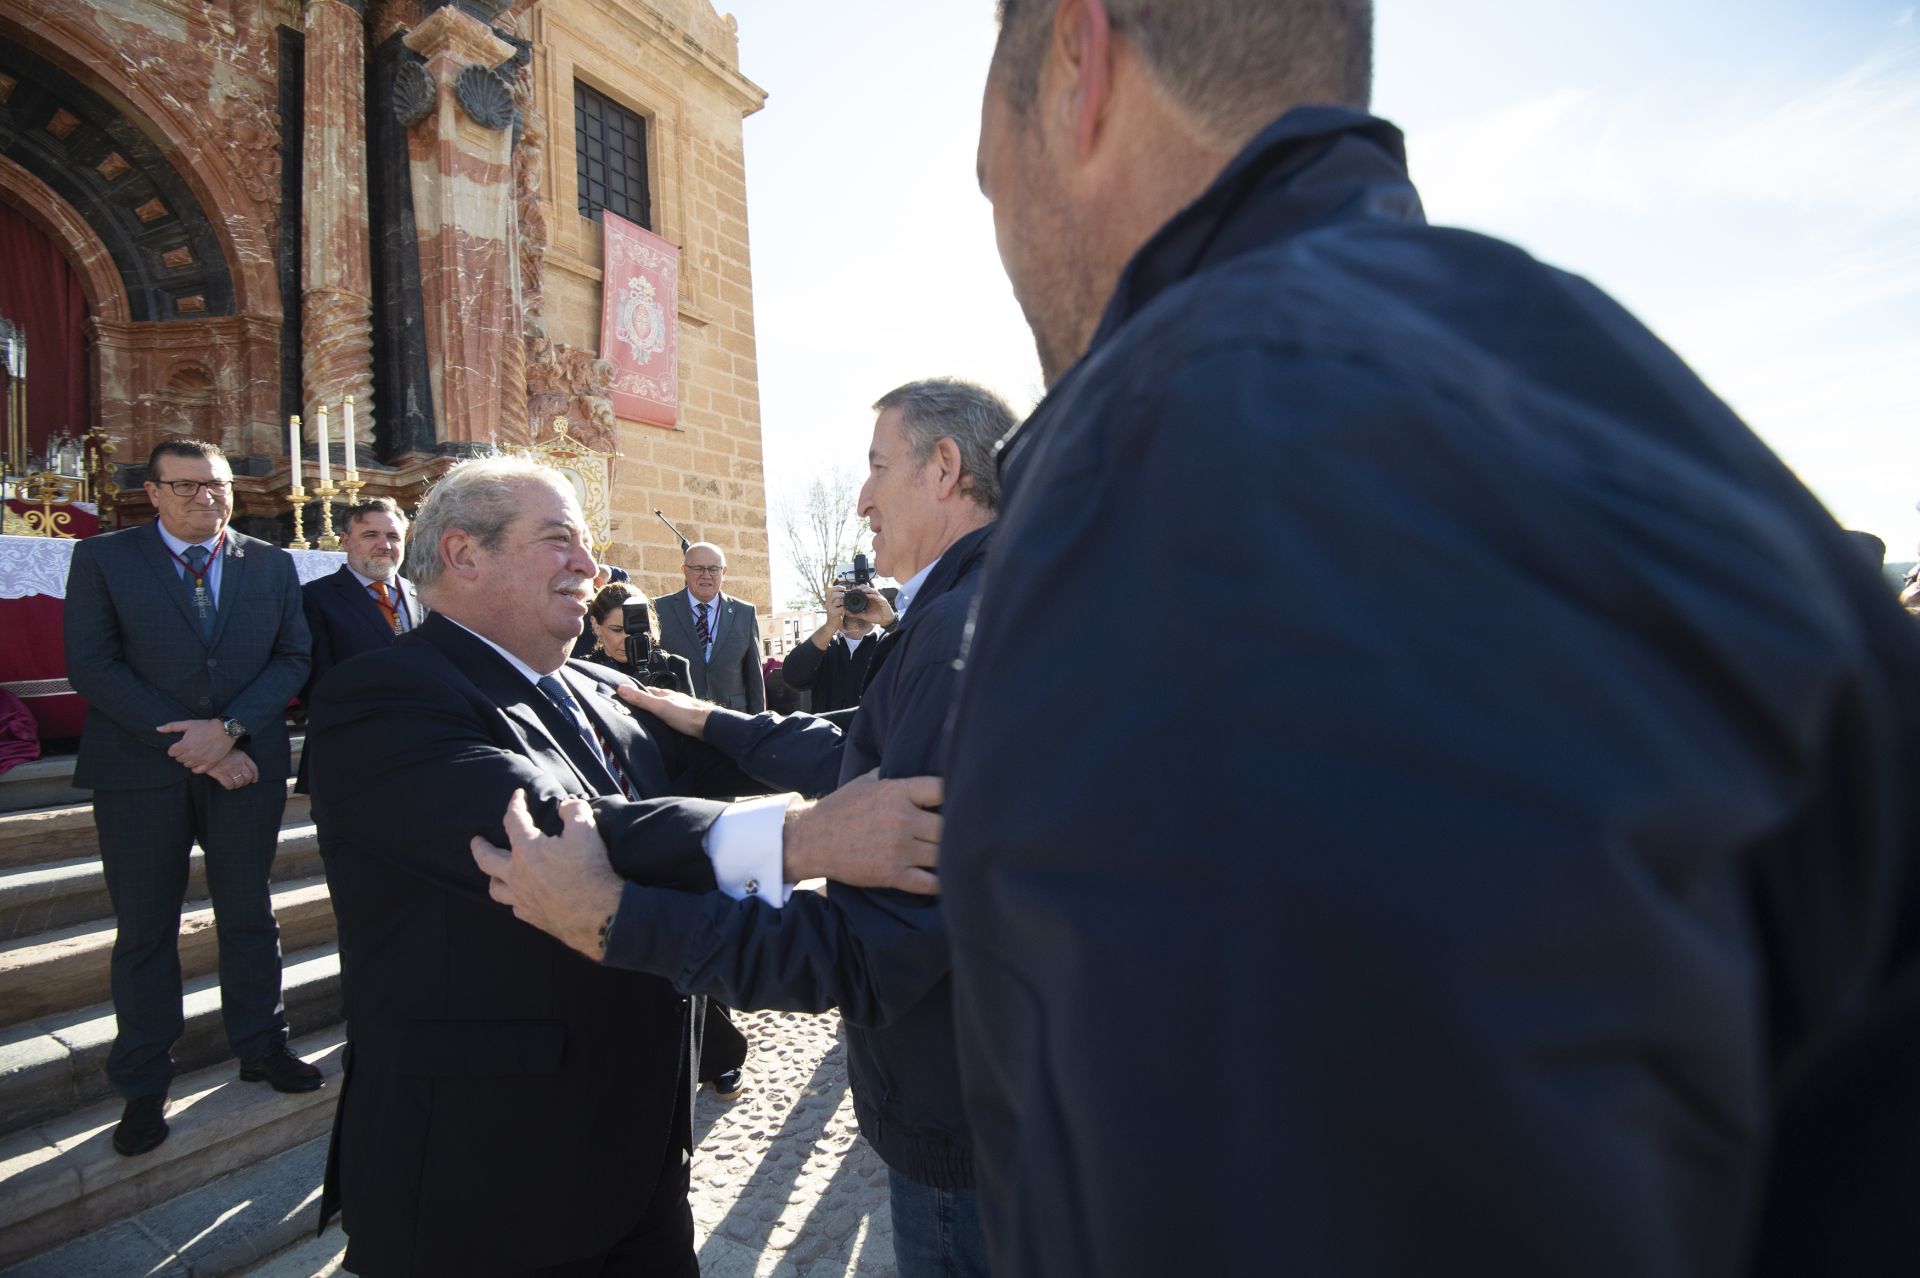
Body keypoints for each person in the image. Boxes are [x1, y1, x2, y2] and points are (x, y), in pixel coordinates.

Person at [938, 3, 1920, 1275]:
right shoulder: (1587, 373)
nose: (1004, 228)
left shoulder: (1212, 451)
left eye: (986, 176)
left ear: (1082, 65)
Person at [304, 455, 942, 1277]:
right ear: (463, 554)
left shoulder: (599, 686)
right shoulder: (383, 695)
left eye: (590, 544)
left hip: (638, 1153)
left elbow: (730, 756)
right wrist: (801, 841)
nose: (590, 565)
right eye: (559, 540)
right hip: (487, 1177)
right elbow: (551, 833)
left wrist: (949, 709)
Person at [471, 378, 1014, 1278]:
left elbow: (870, 952)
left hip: (963, 1112)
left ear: (946, 467)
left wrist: (617, 920)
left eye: (879, 468)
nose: (864, 500)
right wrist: (714, 722)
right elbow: (859, 752)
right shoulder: (990, 601)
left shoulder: (958, 630)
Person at [63, 437, 318, 1159]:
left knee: (248, 912)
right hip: (139, 774)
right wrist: (193, 744)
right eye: (187, 487)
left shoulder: (269, 563)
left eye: (218, 485)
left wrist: (230, 731)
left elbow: (292, 655)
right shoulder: (104, 559)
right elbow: (92, 665)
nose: (207, 498)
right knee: (146, 927)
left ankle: (262, 1046)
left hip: (246, 767)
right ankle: (144, 1082)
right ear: (153, 493)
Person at [296, 498, 420, 793]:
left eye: (392, 536)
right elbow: (315, 683)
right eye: (370, 535)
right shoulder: (314, 598)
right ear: (345, 542)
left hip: (419, 749)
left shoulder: (423, 596)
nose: (384, 545)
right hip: (348, 754)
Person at [654, 542, 766, 712]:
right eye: (698, 568)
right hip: (679, 717)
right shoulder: (659, 609)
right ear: (684, 570)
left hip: (732, 718)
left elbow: (754, 678)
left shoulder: (745, 613)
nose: (706, 575)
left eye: (714, 569)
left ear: (724, 572)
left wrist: (760, 726)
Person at [780, 586, 890, 714]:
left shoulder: (891, 642)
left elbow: (916, 671)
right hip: (828, 732)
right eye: (845, 597)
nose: (853, 603)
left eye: (860, 597)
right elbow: (792, 677)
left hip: (878, 733)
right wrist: (830, 626)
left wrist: (891, 623)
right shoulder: (822, 643)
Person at [583, 581, 695, 695]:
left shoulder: (673, 665)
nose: (628, 640)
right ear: (595, 624)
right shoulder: (581, 670)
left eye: (635, 630)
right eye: (617, 630)